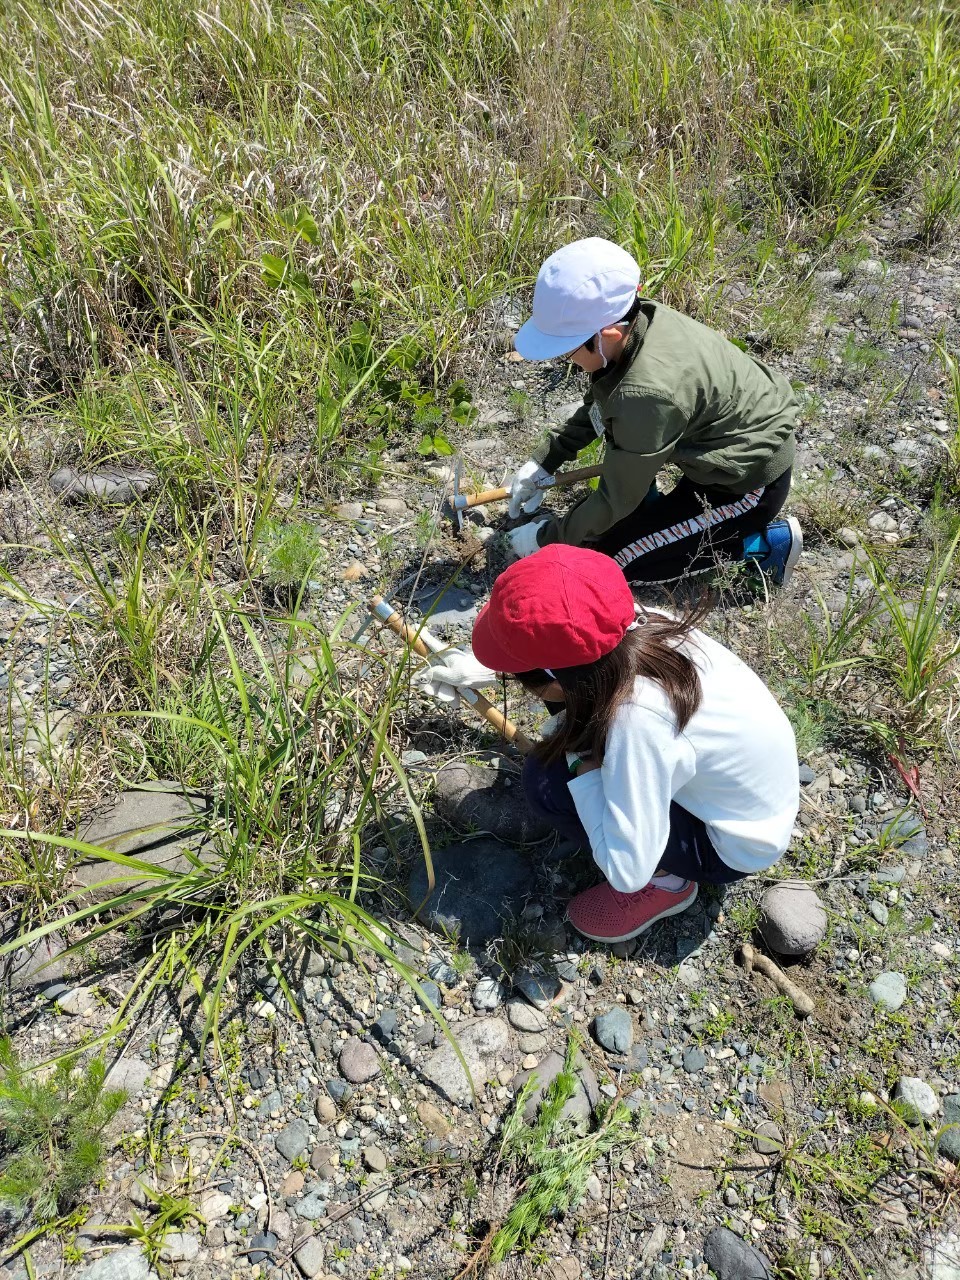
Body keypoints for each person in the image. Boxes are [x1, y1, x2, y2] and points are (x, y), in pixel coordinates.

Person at [414, 546, 799, 943]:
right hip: (746, 794)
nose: (524, 689)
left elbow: (626, 870)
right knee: (571, 731)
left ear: (556, 678)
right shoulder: (639, 624)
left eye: (520, 679)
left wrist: (583, 763)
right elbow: (570, 655)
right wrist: (483, 670)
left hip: (730, 844)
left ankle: (668, 884)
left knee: (547, 780)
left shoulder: (640, 720)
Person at [503, 237, 802, 587]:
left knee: (616, 562)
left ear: (608, 333)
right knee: (609, 527)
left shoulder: (646, 394)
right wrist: (544, 460)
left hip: (746, 483)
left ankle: (763, 545)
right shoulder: (639, 320)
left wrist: (547, 538)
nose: (564, 358)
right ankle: (653, 512)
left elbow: (617, 496)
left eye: (567, 350)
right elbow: (604, 405)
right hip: (715, 450)